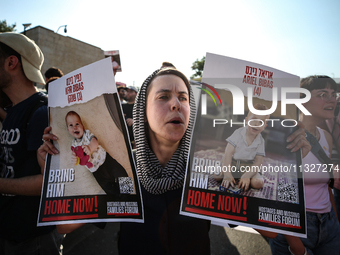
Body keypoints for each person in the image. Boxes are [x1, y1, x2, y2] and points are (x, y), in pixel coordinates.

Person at [37, 67, 311, 254]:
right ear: (142, 109)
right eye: (163, 97)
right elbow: (65, 225)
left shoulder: (209, 169)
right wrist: (51, 167)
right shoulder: (123, 169)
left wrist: (294, 153)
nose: (175, 104)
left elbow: (271, 233)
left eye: (183, 97)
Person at [0, 32, 63, 254]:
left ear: (11, 62)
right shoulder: (16, 110)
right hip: (12, 234)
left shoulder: (41, 112)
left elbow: (48, 182)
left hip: (34, 240)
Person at [269, 75, 340, 255]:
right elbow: (278, 194)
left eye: (334, 94)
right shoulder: (287, 133)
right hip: (296, 228)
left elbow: (326, 185)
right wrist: (296, 247)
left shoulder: (326, 137)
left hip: (329, 225)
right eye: (323, 94)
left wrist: (335, 222)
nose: (332, 98)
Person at [66, 110, 128, 195]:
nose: (75, 127)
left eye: (77, 124)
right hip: (96, 171)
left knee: (122, 174)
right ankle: (119, 198)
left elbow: (95, 141)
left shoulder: (87, 133)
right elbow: (76, 158)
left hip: (106, 160)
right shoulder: (74, 145)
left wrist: (90, 147)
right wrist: (74, 159)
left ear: (82, 126)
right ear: (68, 130)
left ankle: (128, 195)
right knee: (109, 189)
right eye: (71, 125)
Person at [215, 103, 268, 191]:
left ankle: (244, 178)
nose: (256, 124)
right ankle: (222, 167)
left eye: (261, 122)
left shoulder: (261, 141)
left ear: (264, 126)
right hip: (232, 163)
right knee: (217, 175)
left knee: (258, 183)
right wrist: (227, 173)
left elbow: (258, 162)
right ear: (246, 120)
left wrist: (247, 175)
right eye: (254, 119)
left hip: (248, 166)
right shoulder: (238, 133)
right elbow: (228, 153)